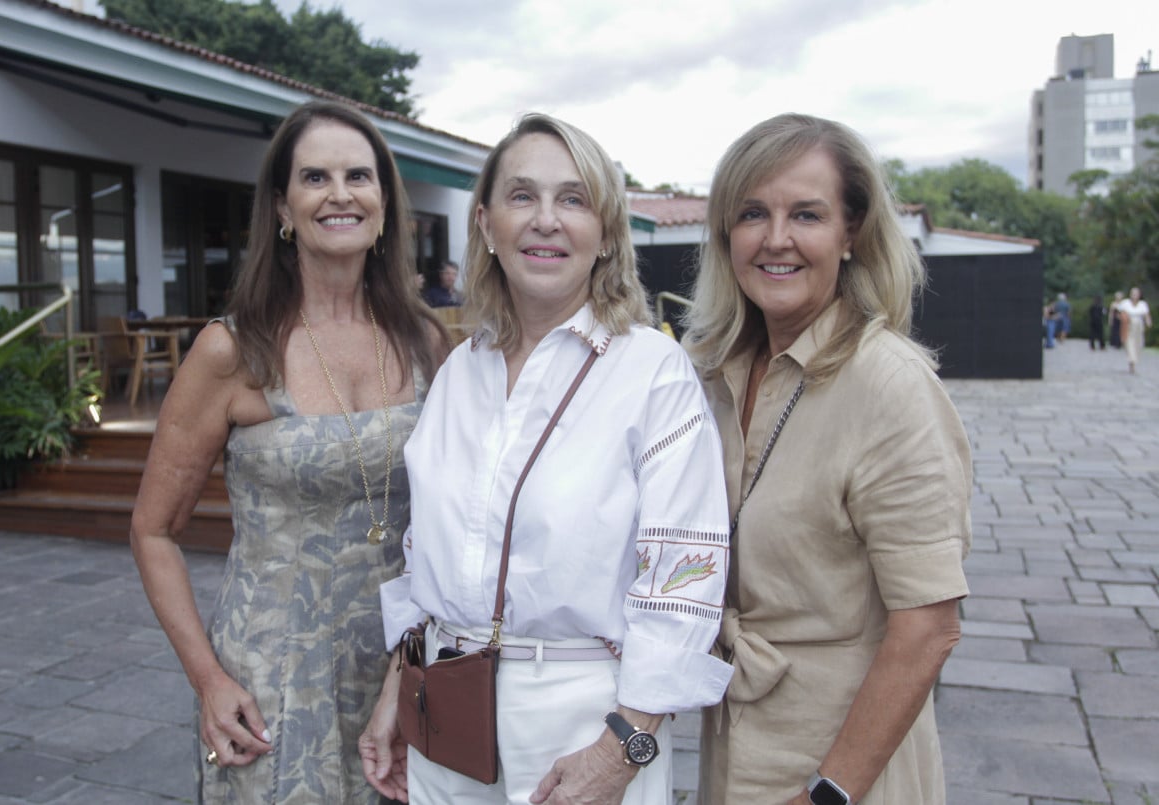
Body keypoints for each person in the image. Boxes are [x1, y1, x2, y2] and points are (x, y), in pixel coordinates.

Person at [359, 113, 733, 805]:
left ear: (606, 232)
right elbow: (423, 558)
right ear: (485, 223)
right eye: (522, 195)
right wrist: (397, 693)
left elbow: (683, 585)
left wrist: (623, 750)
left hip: (586, 720)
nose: (546, 220)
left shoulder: (653, 372)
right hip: (445, 708)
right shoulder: (460, 371)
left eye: (574, 199)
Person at [130, 100, 449, 803]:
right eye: (315, 177)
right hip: (274, 673)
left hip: (405, 666)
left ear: (384, 201)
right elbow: (152, 531)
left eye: (358, 176)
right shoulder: (233, 349)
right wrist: (209, 679)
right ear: (282, 206)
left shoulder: (425, 341)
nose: (340, 194)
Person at [683, 113, 972, 804]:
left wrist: (828, 790)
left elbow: (929, 626)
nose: (776, 238)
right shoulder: (712, 377)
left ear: (851, 234)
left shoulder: (890, 385)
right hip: (731, 747)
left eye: (806, 214)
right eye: (753, 213)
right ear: (726, 235)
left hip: (841, 766)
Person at [1119, 286, 1152, 374]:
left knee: (1138, 344)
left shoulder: (1143, 304)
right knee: (1129, 344)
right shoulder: (1125, 303)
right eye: (1133, 294)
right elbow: (1120, 314)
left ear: (1139, 295)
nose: (1134, 295)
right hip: (1128, 325)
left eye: (1136, 294)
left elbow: (1146, 315)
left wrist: (1148, 322)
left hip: (1139, 326)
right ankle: (1131, 362)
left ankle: (1133, 362)